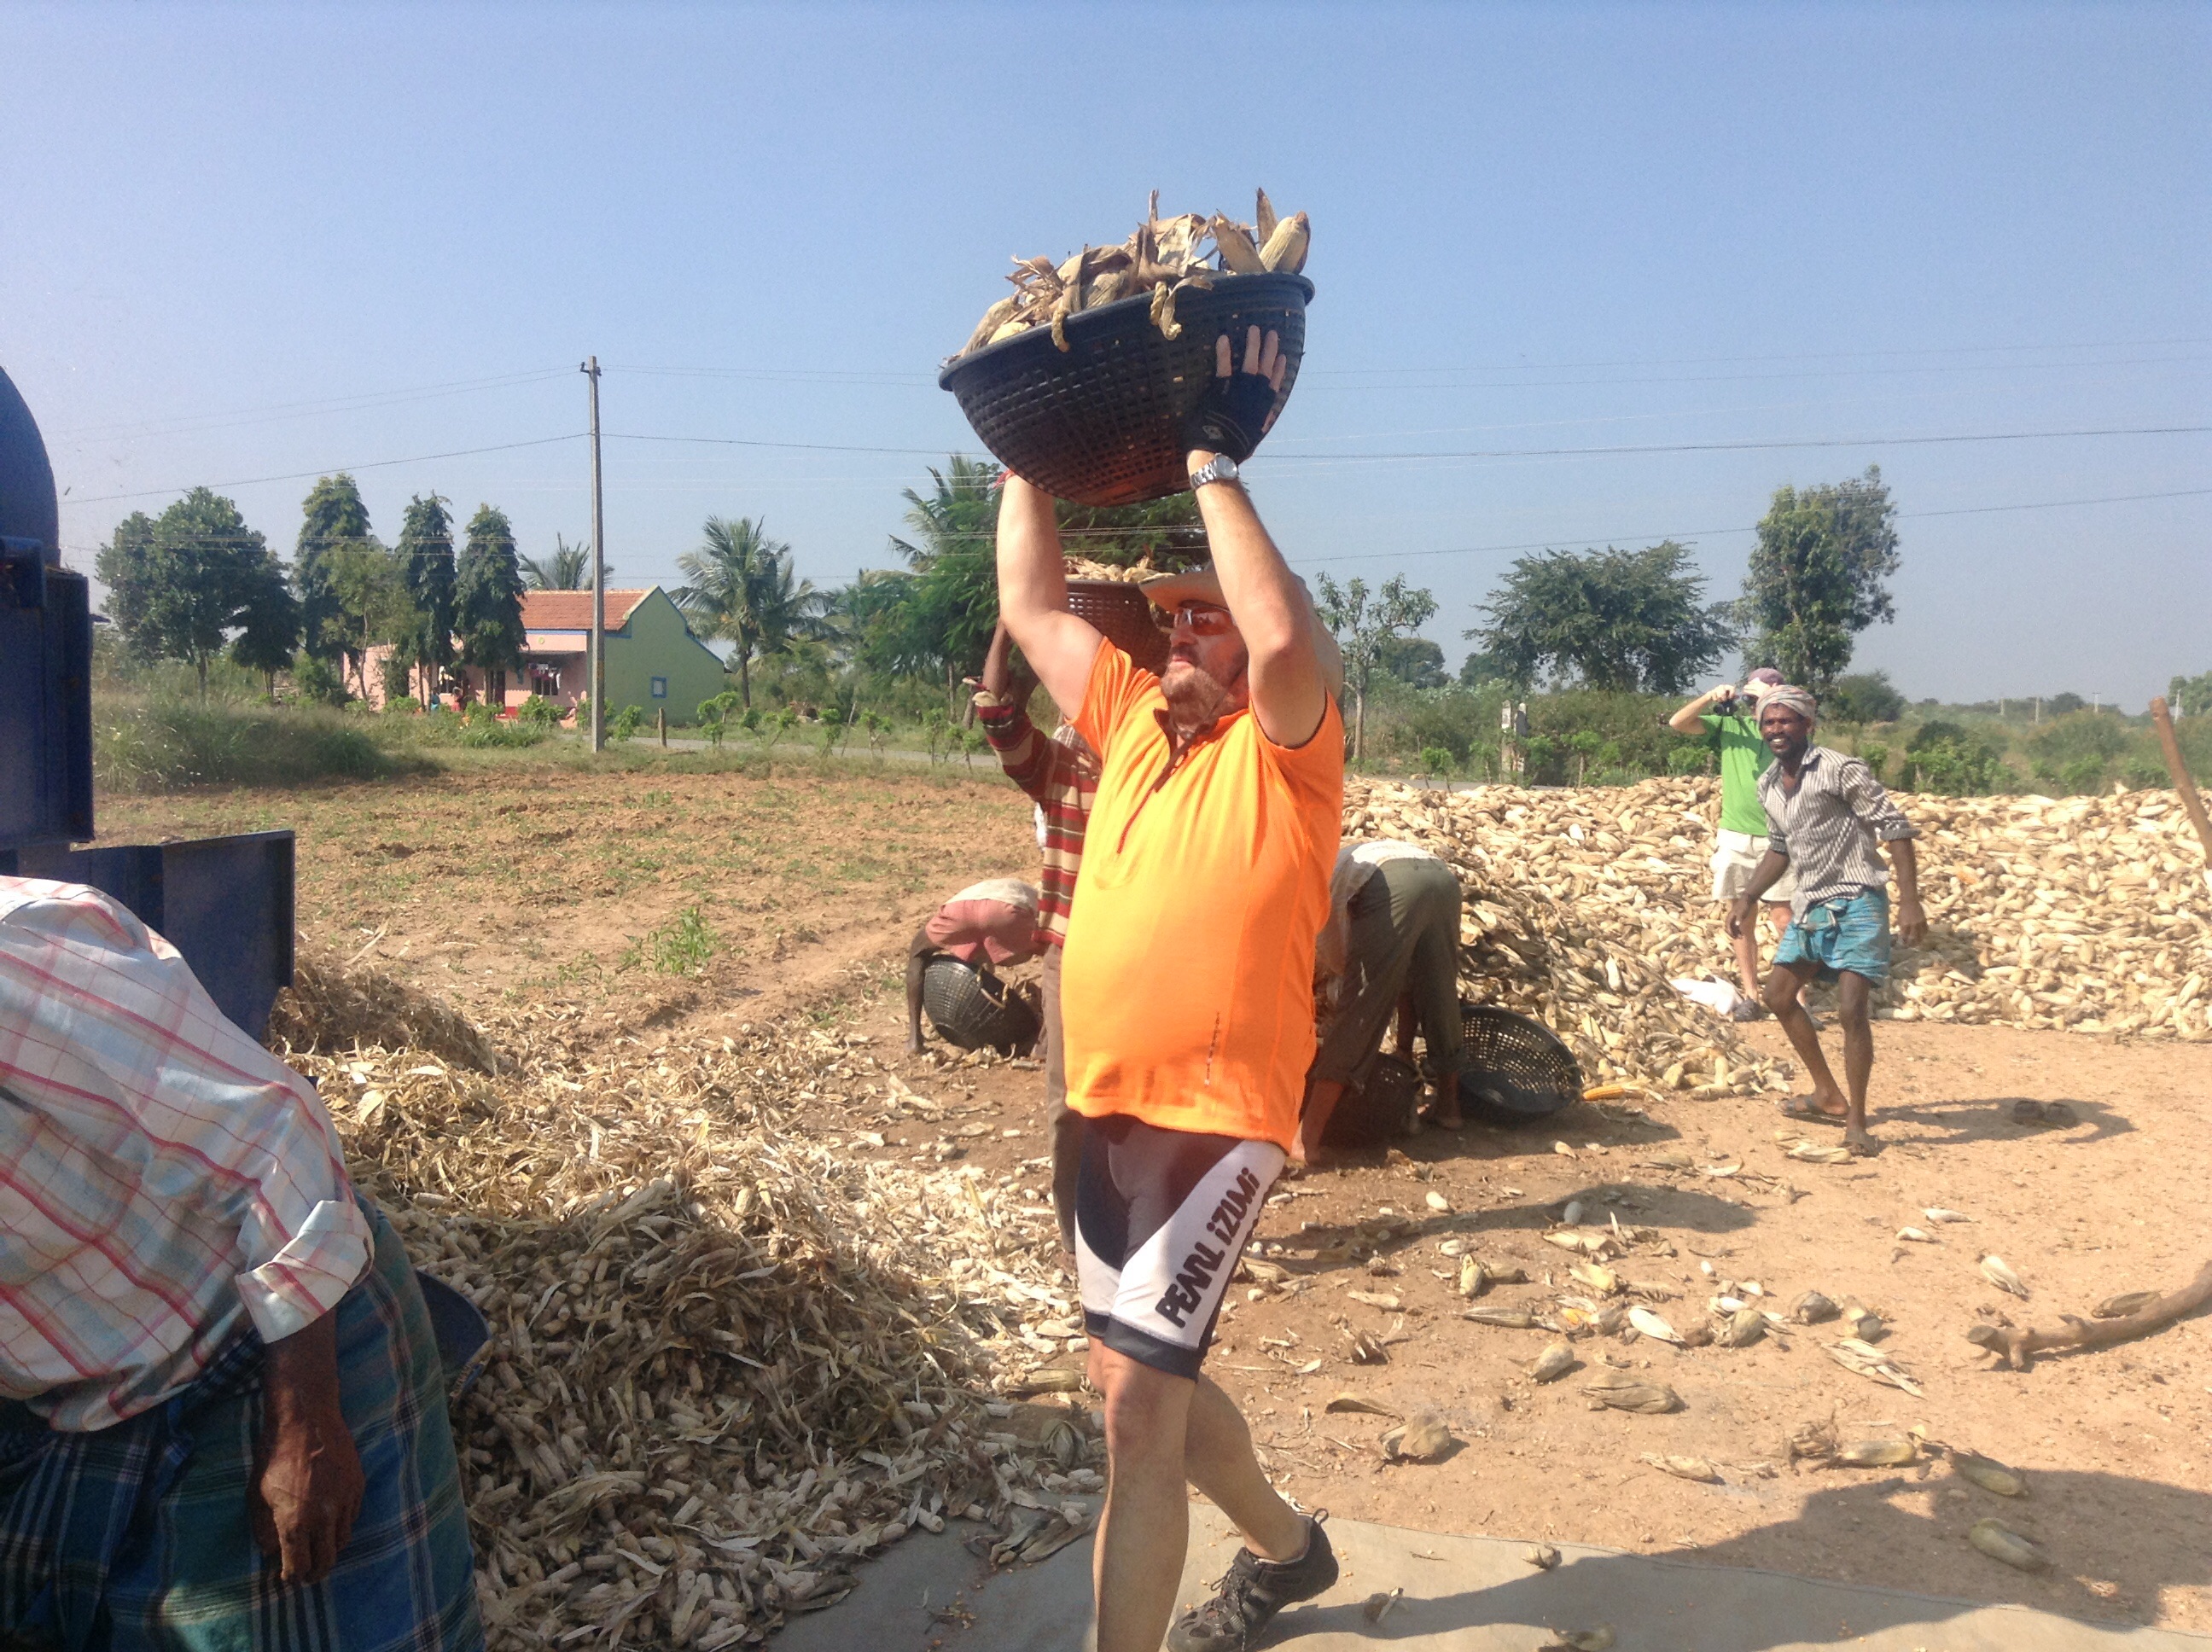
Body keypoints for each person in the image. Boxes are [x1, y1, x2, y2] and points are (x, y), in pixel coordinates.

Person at [996, 325, 1344, 1652]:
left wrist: (1210, 459)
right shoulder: (1134, 718)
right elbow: (1032, 605)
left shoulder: (1291, 747)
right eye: (1174, 613)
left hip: (1217, 1114)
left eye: (1210, 612)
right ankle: (1292, 1549)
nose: (1191, 630)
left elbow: (1280, 627)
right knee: (1127, 1381)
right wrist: (1021, 451)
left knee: (1138, 1416)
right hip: (1104, 1103)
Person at [0, 876, 481, 1651]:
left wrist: (307, 1424)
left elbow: (269, 1137)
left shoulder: (17, 957)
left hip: (272, 1347)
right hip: (93, 1389)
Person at [1730, 687, 1926, 1157]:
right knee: (1778, 996)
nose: (1777, 730)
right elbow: (1780, 846)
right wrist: (1748, 897)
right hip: (1811, 903)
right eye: (1769, 723)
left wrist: (1910, 900)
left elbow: (1894, 828)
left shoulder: (1841, 769)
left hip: (1858, 898)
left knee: (1851, 1010)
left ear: (1808, 725)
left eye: (1787, 721)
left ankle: (1857, 1119)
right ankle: (1827, 1094)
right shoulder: (1768, 785)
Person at [971, 620, 1102, 1257]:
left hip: (1145, 958)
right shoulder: (1061, 767)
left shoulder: (1163, 763)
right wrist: (1008, 626)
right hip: (1071, 954)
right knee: (1068, 1105)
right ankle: (1075, 1236)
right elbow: (997, 710)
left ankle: (1139, 1229)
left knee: (1140, 1104)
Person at [1299, 840, 1467, 1157]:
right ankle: (1449, 1108)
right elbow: (1405, 980)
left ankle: (1307, 1136)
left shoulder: (1320, 881)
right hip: (1442, 878)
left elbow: (1338, 957)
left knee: (1362, 1005)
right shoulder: (1346, 858)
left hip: (1391, 882)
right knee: (1438, 988)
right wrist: (1402, 1050)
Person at [1668, 667, 1796, 1015]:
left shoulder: (1789, 733)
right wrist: (1711, 697)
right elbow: (1678, 723)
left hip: (1780, 836)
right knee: (1741, 918)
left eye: (1765, 700)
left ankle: (1797, 999)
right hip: (1736, 835)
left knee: (1785, 919)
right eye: (1752, 699)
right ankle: (1752, 995)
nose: (1757, 707)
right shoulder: (1730, 728)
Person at [903, 876, 1045, 1051]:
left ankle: (914, 1039)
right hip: (1008, 913)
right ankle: (1048, 1039)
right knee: (1056, 959)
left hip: (961, 911)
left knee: (918, 951)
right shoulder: (1036, 898)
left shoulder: (977, 890)